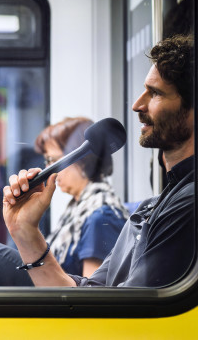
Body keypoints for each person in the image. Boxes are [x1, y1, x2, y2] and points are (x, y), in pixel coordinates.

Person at [3, 34, 195, 288]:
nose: (137, 105)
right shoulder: (151, 207)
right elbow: (93, 296)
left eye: (156, 93)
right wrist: (25, 231)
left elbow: (124, 308)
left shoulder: (190, 203)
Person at [34, 117, 128, 277]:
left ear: (81, 158)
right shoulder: (76, 211)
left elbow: (92, 289)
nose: (48, 169)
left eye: (52, 160)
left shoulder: (101, 217)